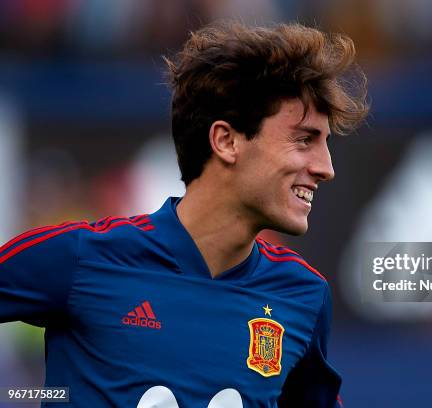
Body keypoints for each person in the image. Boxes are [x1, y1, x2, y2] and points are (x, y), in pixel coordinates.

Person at [0, 21, 368, 407]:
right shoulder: (80, 257)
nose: (326, 167)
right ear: (226, 141)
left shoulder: (303, 294)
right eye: (304, 139)